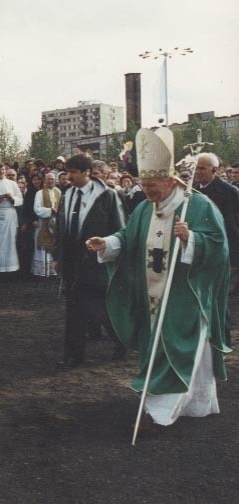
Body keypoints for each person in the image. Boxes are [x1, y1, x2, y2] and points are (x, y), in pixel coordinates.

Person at [87, 128, 230, 427]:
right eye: (143, 184)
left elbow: (219, 247)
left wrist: (191, 240)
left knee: (182, 346)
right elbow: (130, 237)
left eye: (152, 185)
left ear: (170, 181)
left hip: (185, 294)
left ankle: (171, 408)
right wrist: (110, 243)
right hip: (152, 291)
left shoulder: (198, 206)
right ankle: (164, 402)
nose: (147, 191)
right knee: (157, 345)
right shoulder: (144, 208)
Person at [55, 153, 125, 368]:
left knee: (103, 309)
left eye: (74, 172)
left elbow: (119, 229)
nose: (69, 177)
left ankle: (122, 340)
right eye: (67, 172)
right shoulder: (67, 195)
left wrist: (110, 251)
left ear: (87, 172)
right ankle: (73, 355)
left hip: (97, 262)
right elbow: (61, 228)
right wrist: (59, 257)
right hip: (73, 263)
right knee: (74, 309)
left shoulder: (107, 196)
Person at [193, 152, 239, 345]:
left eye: (202, 168)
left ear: (215, 170)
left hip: (225, 253)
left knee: (221, 297)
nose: (198, 172)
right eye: (196, 168)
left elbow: (234, 224)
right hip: (200, 252)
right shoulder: (192, 191)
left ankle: (223, 340)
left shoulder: (230, 192)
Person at [32, 172, 61, 277]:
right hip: (43, 223)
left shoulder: (58, 192)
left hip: (56, 224)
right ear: (44, 180)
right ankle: (42, 271)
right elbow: (37, 209)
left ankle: (52, 270)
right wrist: (50, 211)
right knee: (43, 248)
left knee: (54, 246)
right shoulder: (39, 193)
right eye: (48, 179)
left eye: (52, 179)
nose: (50, 181)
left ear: (55, 180)